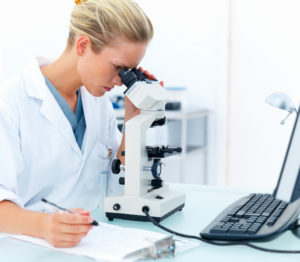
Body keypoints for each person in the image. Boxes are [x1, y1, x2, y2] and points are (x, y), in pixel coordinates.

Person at [0, 0, 162, 247]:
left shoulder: (97, 101)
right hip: (25, 247)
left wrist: (134, 122)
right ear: (83, 44)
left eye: (129, 71)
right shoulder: (10, 101)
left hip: (91, 244)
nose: (121, 81)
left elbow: (118, 177)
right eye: (118, 67)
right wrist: (44, 226)